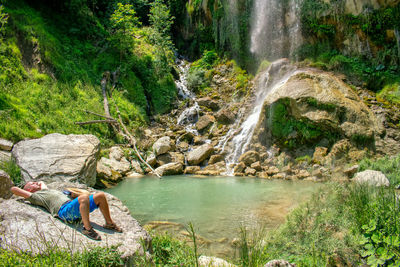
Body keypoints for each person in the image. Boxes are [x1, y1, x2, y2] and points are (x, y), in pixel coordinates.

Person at [11, 181, 122, 241]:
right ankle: (87, 229)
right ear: (29, 189)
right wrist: (27, 188)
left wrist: (37, 183)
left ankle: (109, 224)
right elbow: (14, 189)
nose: (36, 183)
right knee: (83, 197)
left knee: (100, 196)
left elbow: (41, 182)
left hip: (71, 206)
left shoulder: (45, 190)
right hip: (63, 211)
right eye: (32, 184)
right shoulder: (35, 196)